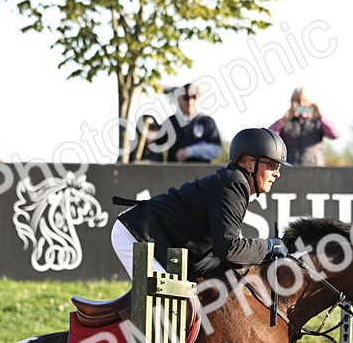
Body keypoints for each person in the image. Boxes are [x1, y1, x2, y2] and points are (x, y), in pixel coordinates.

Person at [111, 127, 290, 279]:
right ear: (250, 164)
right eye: (273, 166)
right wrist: (268, 246)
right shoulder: (234, 184)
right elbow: (230, 250)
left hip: (156, 240)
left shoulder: (234, 183)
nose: (277, 173)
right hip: (136, 235)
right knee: (169, 303)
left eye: (279, 168)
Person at [147, 83, 221, 163]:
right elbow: (155, 144)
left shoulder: (207, 122)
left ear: (198, 98)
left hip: (201, 173)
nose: (190, 101)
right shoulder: (171, 122)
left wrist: (190, 151)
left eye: (193, 97)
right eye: (186, 98)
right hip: (174, 173)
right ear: (180, 99)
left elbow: (216, 150)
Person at [268, 87, 340, 166]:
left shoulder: (318, 121)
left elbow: (335, 134)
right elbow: (269, 138)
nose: (301, 104)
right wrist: (284, 120)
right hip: (290, 169)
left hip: (315, 169)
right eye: (298, 101)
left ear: (311, 103)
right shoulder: (285, 123)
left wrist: (321, 116)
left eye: (305, 101)